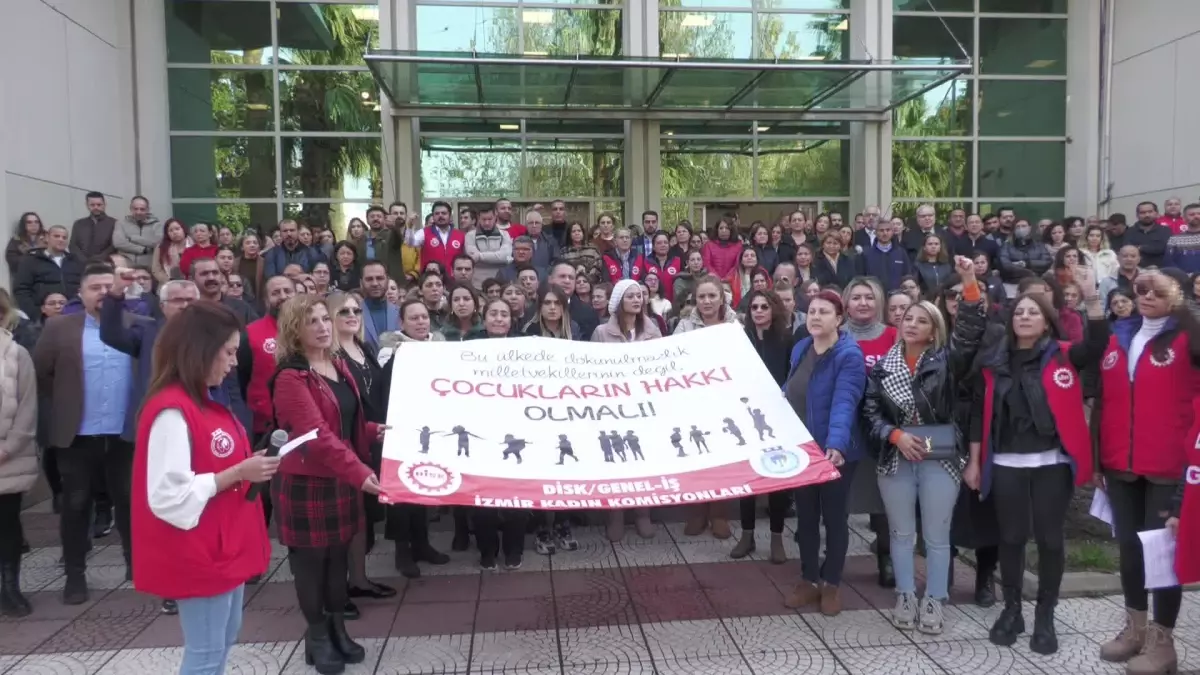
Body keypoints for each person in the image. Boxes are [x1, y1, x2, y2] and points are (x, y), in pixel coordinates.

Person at [130, 302, 277, 674]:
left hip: (221, 544)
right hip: (199, 549)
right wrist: (237, 472)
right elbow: (167, 495)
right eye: (228, 352)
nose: (233, 363)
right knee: (206, 653)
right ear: (201, 349)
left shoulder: (202, 403)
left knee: (223, 641)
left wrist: (248, 466)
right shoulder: (172, 410)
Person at [970, 268, 1107, 656]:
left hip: (1051, 462)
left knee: (1049, 539)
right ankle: (1012, 609)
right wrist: (976, 461)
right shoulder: (994, 362)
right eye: (1019, 312)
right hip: (1008, 463)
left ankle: (1045, 615)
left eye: (1034, 312)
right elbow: (980, 414)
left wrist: (1092, 298)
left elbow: (1098, 345)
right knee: (1011, 537)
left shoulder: (1064, 354)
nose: (1025, 317)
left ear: (1047, 321)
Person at [861, 257, 985, 635]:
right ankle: (905, 595)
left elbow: (969, 331)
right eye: (907, 319)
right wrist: (896, 435)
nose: (911, 324)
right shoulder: (883, 367)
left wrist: (968, 281)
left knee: (935, 534)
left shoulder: (948, 362)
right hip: (896, 457)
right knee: (900, 533)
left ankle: (934, 598)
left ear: (934, 331)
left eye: (921, 320)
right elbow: (869, 411)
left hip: (939, 458)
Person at [270, 295, 383, 674]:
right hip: (308, 483)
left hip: (340, 477)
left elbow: (345, 422)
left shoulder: (337, 366)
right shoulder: (291, 376)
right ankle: (316, 635)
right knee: (310, 563)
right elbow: (317, 435)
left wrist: (372, 431)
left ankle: (337, 628)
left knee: (338, 560)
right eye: (311, 321)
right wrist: (361, 474)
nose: (322, 326)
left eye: (324, 318)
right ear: (294, 330)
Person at [1094, 270, 1200, 674]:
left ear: (1178, 294)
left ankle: (1162, 640)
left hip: (1170, 465)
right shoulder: (1121, 336)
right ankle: (1135, 627)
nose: (1146, 295)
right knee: (1130, 549)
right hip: (1121, 462)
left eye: (1158, 289)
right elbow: (1103, 399)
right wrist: (1099, 456)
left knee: (1162, 555)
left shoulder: (1189, 337)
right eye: (1140, 288)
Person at [33, 263, 137, 604]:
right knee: (76, 504)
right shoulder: (60, 328)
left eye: (111, 286)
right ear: (81, 293)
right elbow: (43, 374)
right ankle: (75, 574)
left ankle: (136, 565)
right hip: (78, 436)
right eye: (96, 287)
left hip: (124, 437)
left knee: (129, 502)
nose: (104, 293)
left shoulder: (136, 326)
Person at [783, 289, 866, 615]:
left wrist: (836, 444)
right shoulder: (802, 347)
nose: (816, 317)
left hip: (836, 452)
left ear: (839, 319)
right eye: (812, 311)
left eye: (824, 312)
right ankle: (808, 578)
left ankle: (831, 583)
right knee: (805, 517)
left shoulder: (849, 355)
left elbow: (845, 402)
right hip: (802, 451)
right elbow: (790, 389)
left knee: (834, 518)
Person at [728, 289, 794, 563]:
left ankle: (777, 537)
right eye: (754, 306)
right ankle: (747, 534)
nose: (758, 311)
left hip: (779, 418)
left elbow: (794, 373)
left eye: (764, 306)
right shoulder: (740, 341)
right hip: (747, 416)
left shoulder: (788, 340)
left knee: (778, 479)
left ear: (773, 310)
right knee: (749, 478)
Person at [593, 280, 662, 541]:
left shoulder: (652, 331)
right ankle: (616, 514)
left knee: (643, 459)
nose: (637, 300)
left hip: (644, 406)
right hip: (612, 407)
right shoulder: (601, 332)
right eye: (630, 296)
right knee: (615, 461)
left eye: (639, 296)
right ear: (619, 301)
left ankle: (643, 513)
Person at [0, 292, 37, 618]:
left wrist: (8, 447)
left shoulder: (16, 353)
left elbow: (28, 406)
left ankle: (10, 586)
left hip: (6, 456)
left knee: (7, 524)